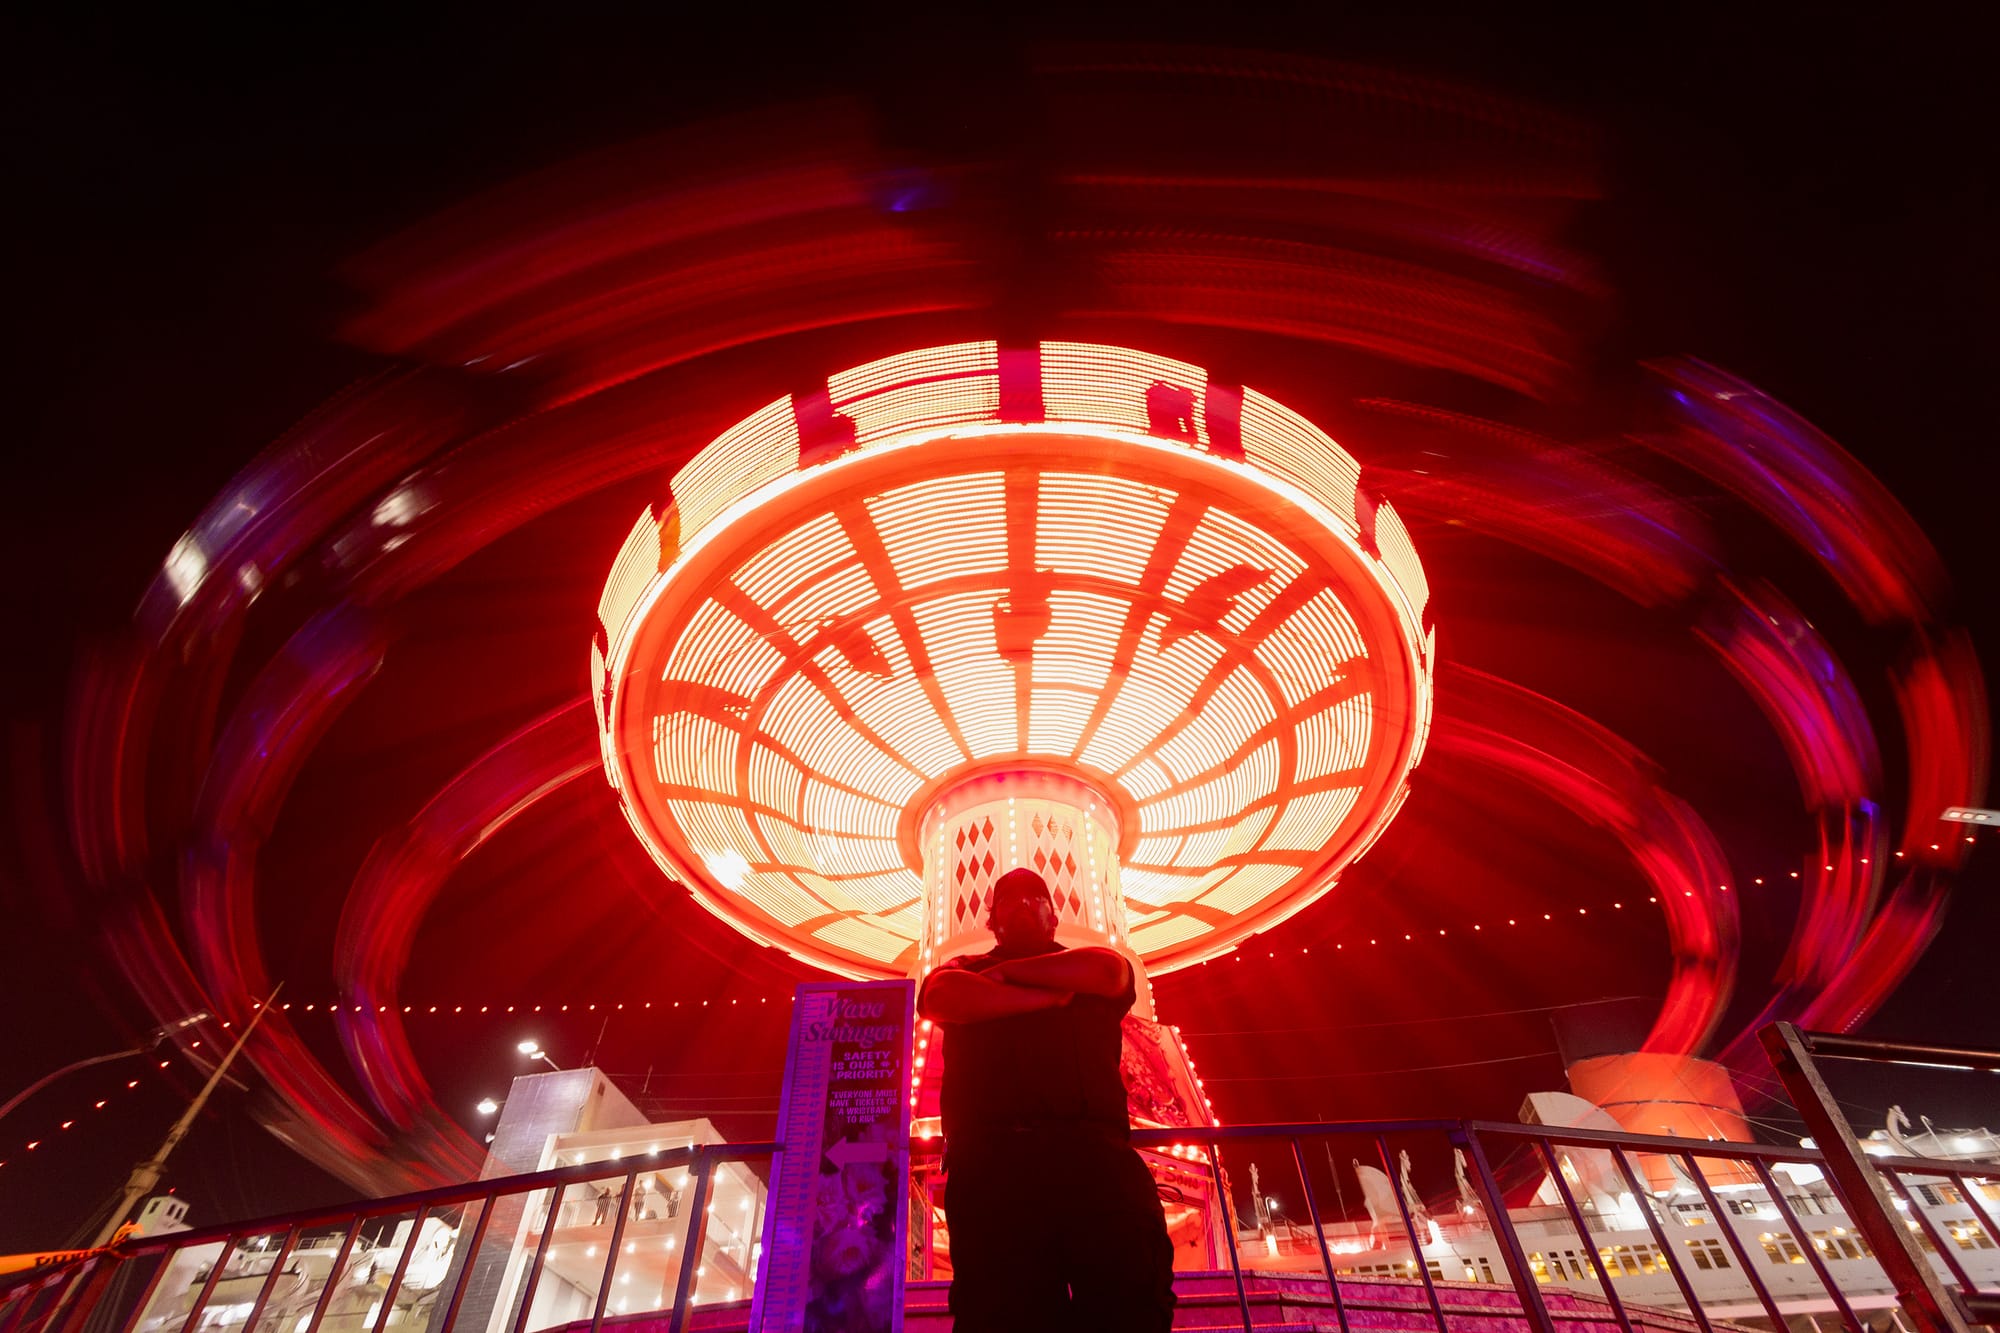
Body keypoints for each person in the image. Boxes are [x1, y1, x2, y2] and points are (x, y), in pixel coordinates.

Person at [917, 867, 1176, 1333]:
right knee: (1000, 1311)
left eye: (1034, 898)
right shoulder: (959, 974)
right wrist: (1048, 999)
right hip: (993, 1171)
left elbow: (1111, 970)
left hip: (1092, 1159)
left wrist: (1002, 977)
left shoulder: (1087, 965)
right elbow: (938, 997)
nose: (1021, 905)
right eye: (1007, 901)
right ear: (991, 920)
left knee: (1129, 1298)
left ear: (1053, 917)